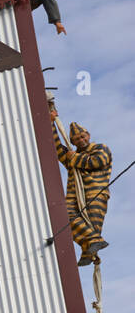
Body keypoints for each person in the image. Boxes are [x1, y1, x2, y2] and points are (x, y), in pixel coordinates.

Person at [50, 104, 111, 266]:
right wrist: (51, 123)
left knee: (92, 224)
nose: (81, 140)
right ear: (73, 141)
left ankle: (88, 252)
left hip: (95, 193)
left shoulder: (100, 148)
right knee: (66, 219)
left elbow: (97, 162)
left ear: (88, 135)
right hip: (75, 194)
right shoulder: (72, 155)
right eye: (77, 139)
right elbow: (56, 148)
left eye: (83, 137)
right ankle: (90, 247)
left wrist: (74, 158)